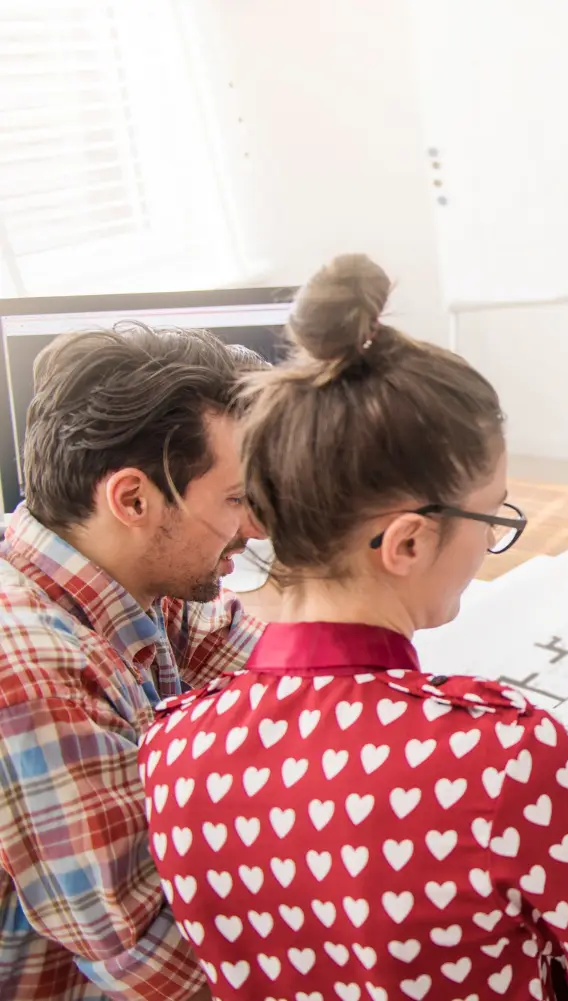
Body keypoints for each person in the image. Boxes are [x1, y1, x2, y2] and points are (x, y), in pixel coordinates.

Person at [142, 255, 568, 1001]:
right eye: (496, 514)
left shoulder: (171, 745)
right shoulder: (501, 752)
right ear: (407, 541)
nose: (496, 533)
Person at [0, 324, 266, 1001]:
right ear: (133, 499)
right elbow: (156, 966)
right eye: (236, 499)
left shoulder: (132, 567)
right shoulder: (30, 674)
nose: (257, 527)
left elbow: (276, 693)